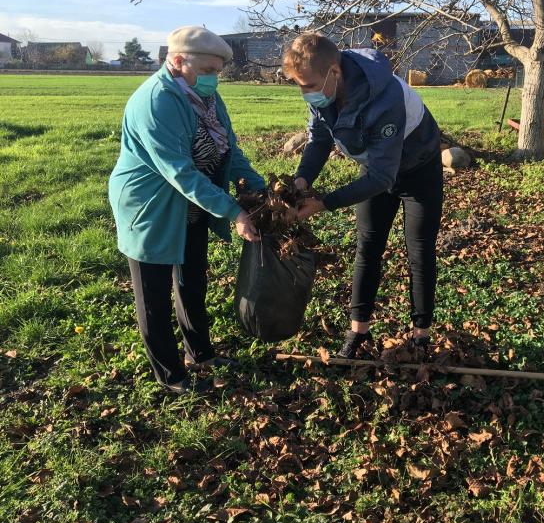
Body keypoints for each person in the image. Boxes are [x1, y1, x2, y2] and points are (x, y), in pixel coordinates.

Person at [109, 26, 264, 394]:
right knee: (154, 295)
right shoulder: (156, 101)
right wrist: (234, 212)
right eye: (208, 70)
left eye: (218, 72)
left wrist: (260, 189)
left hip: (193, 205)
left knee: (192, 281)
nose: (214, 79)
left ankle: (201, 353)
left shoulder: (206, 97)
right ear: (178, 61)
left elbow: (230, 150)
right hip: (151, 207)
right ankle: (171, 376)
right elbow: (179, 171)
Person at [282, 33, 443, 358]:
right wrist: (301, 182)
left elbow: (384, 177)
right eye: (299, 85)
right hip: (375, 166)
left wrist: (324, 203)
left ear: (335, 73)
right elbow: (318, 142)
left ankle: (421, 337)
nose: (305, 93)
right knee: (368, 248)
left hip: (418, 169)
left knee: (420, 251)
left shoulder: (386, 98)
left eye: (309, 85)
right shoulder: (324, 95)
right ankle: (359, 334)